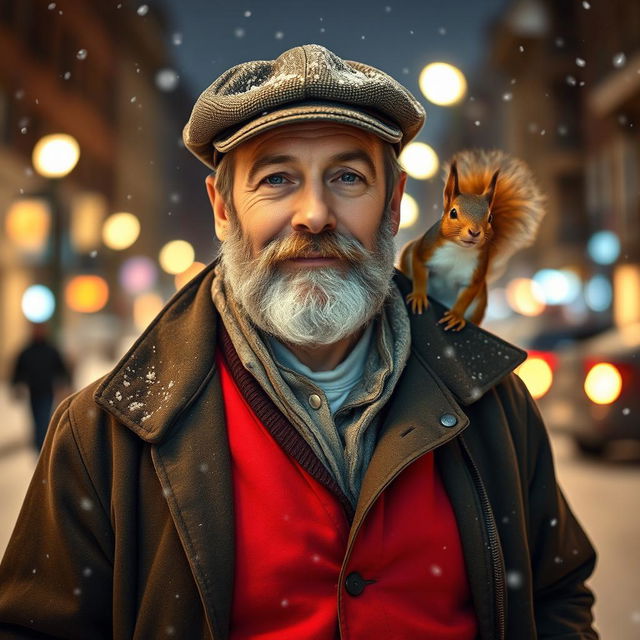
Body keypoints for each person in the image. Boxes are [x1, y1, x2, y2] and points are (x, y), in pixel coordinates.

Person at [0, 45, 597, 639]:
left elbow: (556, 598)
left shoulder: (494, 403)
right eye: (277, 178)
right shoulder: (105, 434)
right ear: (222, 208)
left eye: (347, 178)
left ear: (392, 205)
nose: (314, 214)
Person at [10, 323, 71, 451]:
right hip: (33, 393)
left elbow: (62, 369)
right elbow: (18, 371)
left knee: (43, 421)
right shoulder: (27, 351)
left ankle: (42, 448)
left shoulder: (51, 350)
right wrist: (16, 385)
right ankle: (40, 447)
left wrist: (66, 384)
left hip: (47, 392)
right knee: (36, 421)